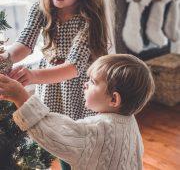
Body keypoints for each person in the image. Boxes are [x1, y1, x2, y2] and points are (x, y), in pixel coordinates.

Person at [0, 0, 112, 168]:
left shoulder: (89, 18)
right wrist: (5, 58)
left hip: (77, 89)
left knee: (73, 142)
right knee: (52, 136)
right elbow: (25, 44)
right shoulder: (41, 8)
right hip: (50, 87)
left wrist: (32, 76)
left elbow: (73, 67)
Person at [0, 54, 155, 170]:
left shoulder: (95, 130)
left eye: (93, 82)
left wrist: (21, 98)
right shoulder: (130, 121)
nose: (85, 84)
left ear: (114, 100)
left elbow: (51, 133)